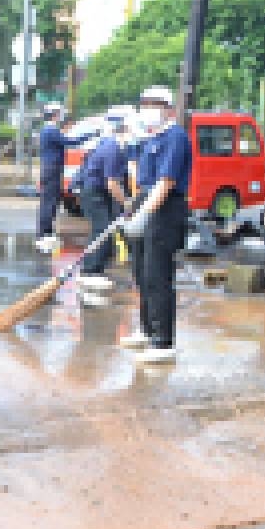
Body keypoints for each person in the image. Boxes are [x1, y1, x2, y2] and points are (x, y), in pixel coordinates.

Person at [119, 86, 192, 365]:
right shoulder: (151, 138)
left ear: (169, 109)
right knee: (142, 273)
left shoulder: (175, 137)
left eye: (155, 104)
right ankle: (147, 330)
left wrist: (144, 214)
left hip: (164, 210)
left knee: (158, 276)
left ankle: (163, 341)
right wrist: (132, 207)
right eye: (145, 103)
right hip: (146, 204)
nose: (148, 108)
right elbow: (142, 179)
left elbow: (166, 182)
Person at [75, 119, 131, 307]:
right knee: (101, 230)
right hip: (94, 193)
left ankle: (96, 268)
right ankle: (89, 271)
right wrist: (127, 203)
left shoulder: (110, 144)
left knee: (105, 229)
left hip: (98, 191)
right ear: (125, 132)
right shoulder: (113, 148)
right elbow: (112, 183)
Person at [35, 102, 89, 253]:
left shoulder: (47, 129)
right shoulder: (51, 130)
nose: (60, 116)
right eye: (59, 113)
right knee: (50, 202)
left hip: (49, 168)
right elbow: (69, 142)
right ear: (54, 114)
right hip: (52, 169)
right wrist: (90, 135)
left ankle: (44, 233)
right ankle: (44, 234)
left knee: (49, 201)